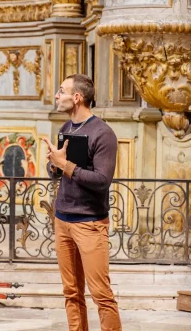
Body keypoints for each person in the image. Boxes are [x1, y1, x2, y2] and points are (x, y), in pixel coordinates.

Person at [43, 74, 122, 331]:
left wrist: (65, 165)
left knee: (101, 294)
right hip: (63, 219)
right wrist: (54, 165)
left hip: (89, 222)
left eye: (61, 91)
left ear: (76, 97)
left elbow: (101, 180)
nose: (57, 95)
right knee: (71, 292)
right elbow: (59, 171)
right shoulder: (66, 129)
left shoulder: (103, 133)